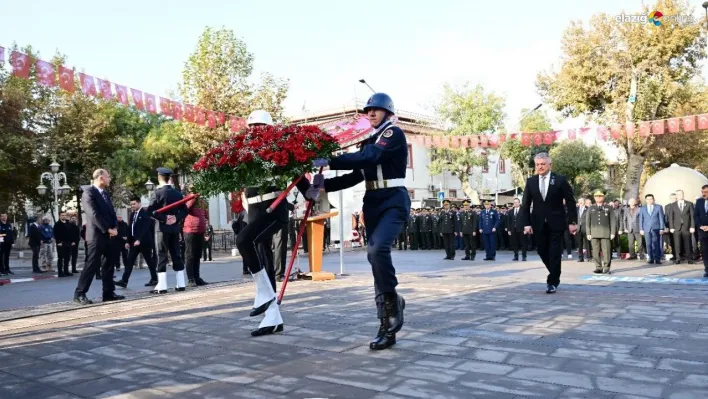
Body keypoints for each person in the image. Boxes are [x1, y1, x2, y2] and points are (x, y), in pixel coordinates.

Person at [297, 93, 408, 351]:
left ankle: (391, 304)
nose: (370, 113)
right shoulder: (370, 140)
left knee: (377, 249)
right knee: (374, 258)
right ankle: (387, 320)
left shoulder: (393, 134)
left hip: (393, 200)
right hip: (373, 201)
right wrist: (317, 185)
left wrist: (326, 158)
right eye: (368, 110)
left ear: (388, 113)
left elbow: (368, 158)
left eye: (376, 110)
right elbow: (355, 176)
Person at [234, 109, 289, 337]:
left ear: (269, 129)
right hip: (255, 211)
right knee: (263, 260)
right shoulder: (247, 153)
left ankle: (265, 297)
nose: (256, 130)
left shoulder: (279, 150)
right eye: (252, 127)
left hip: (273, 211)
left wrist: (313, 188)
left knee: (244, 240)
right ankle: (273, 317)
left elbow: (298, 179)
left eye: (260, 126)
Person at [519, 153, 577, 294]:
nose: (540, 167)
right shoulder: (531, 181)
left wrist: (572, 222)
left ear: (550, 165)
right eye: (537, 164)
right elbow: (525, 205)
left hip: (556, 223)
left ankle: (552, 281)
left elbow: (570, 201)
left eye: (543, 164)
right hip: (538, 223)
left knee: (555, 252)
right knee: (542, 251)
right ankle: (555, 271)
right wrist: (526, 223)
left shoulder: (560, 180)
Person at [73, 169, 125, 305]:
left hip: (110, 235)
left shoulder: (105, 194)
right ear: (101, 178)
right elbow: (93, 214)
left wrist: (114, 227)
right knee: (92, 264)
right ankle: (80, 293)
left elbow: (112, 213)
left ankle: (108, 293)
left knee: (109, 264)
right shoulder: (89, 193)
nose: (110, 179)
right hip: (96, 235)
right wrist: (107, 229)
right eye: (108, 177)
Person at [147, 167, 188, 293]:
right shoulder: (177, 193)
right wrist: (175, 218)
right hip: (174, 229)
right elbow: (184, 210)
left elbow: (150, 210)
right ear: (169, 178)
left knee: (161, 255)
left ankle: (163, 286)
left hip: (162, 228)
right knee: (176, 254)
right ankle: (181, 284)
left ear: (159, 178)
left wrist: (164, 218)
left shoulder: (157, 193)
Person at [115, 196, 158, 288]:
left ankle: (154, 279)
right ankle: (124, 281)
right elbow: (131, 229)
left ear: (139, 203)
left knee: (149, 261)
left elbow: (145, 228)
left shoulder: (145, 213)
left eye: (134, 204)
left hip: (144, 242)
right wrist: (127, 241)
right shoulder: (132, 214)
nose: (132, 206)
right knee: (129, 261)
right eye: (131, 204)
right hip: (134, 243)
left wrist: (139, 239)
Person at [183, 186, 210, 287]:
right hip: (190, 231)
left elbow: (205, 216)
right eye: (193, 190)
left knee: (198, 255)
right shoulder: (189, 199)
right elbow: (185, 209)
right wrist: (192, 197)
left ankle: (197, 277)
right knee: (190, 255)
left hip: (200, 231)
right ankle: (191, 279)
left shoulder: (202, 201)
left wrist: (207, 231)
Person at [585, 191, 617, 274]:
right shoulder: (591, 208)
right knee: (595, 252)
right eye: (596, 196)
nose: (598, 197)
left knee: (606, 251)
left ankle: (606, 267)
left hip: (605, 233)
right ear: (594, 198)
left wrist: (613, 232)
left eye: (600, 196)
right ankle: (598, 267)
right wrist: (588, 233)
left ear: (603, 197)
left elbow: (613, 221)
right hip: (594, 233)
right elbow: (587, 222)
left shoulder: (608, 208)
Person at [666, 189, 695, 265]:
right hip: (676, 228)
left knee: (688, 243)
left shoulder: (689, 204)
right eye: (678, 194)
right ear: (676, 196)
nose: (679, 196)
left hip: (686, 227)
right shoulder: (673, 205)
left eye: (681, 194)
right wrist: (671, 227)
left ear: (683, 194)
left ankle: (689, 258)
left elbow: (692, 216)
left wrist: (692, 226)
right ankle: (678, 258)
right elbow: (671, 217)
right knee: (677, 244)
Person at [639, 194, 665, 265]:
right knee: (648, 244)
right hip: (646, 229)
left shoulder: (658, 207)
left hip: (656, 228)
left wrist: (662, 228)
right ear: (646, 200)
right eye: (648, 199)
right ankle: (650, 258)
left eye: (651, 199)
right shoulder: (642, 208)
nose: (649, 200)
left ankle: (657, 259)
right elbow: (641, 219)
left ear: (653, 199)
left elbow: (661, 218)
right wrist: (641, 229)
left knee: (656, 244)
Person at [693, 185, 708, 277]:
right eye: (702, 192)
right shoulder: (699, 202)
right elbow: (696, 216)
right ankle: (707, 269)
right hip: (702, 231)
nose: (703, 194)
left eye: (705, 192)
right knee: (705, 251)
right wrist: (700, 226)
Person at [53, 211, 72, 277]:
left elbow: (70, 232)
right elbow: (56, 234)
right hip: (61, 243)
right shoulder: (57, 224)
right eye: (62, 215)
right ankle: (60, 272)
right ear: (59, 216)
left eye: (65, 215)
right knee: (60, 258)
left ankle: (66, 271)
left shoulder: (68, 223)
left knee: (67, 257)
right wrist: (58, 242)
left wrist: (71, 241)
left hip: (68, 242)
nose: (64, 216)